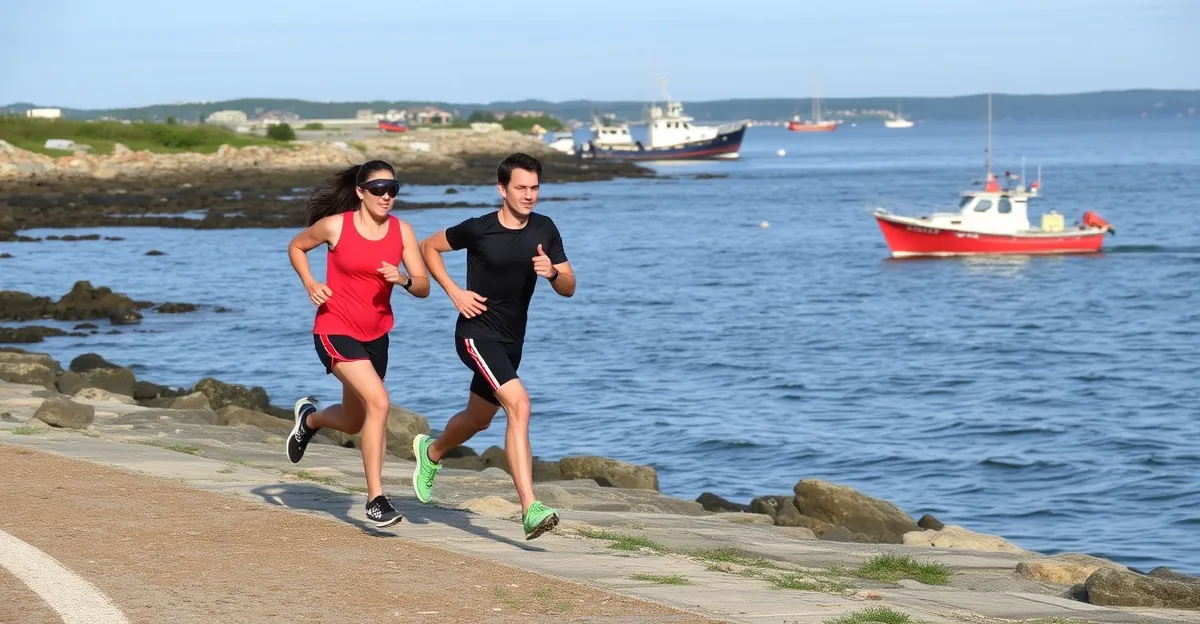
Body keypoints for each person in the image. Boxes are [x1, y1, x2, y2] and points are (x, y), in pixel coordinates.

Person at [413, 153, 575, 540]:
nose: (529, 195)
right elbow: (428, 246)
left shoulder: (545, 228)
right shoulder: (479, 229)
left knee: (478, 419)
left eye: (534, 188)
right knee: (519, 405)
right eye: (521, 188)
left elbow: (569, 286)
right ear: (502, 189)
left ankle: (431, 452)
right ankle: (530, 507)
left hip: (512, 341)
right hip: (475, 334)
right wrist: (454, 292)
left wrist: (553, 273)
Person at [285, 160, 430, 528]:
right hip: (334, 329)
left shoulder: (402, 232)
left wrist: (402, 279)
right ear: (361, 192)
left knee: (353, 421)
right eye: (378, 189)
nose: (386, 196)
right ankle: (376, 500)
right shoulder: (336, 226)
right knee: (379, 402)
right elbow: (297, 246)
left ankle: (309, 420)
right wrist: (310, 283)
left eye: (392, 189)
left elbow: (423, 286)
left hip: (376, 336)